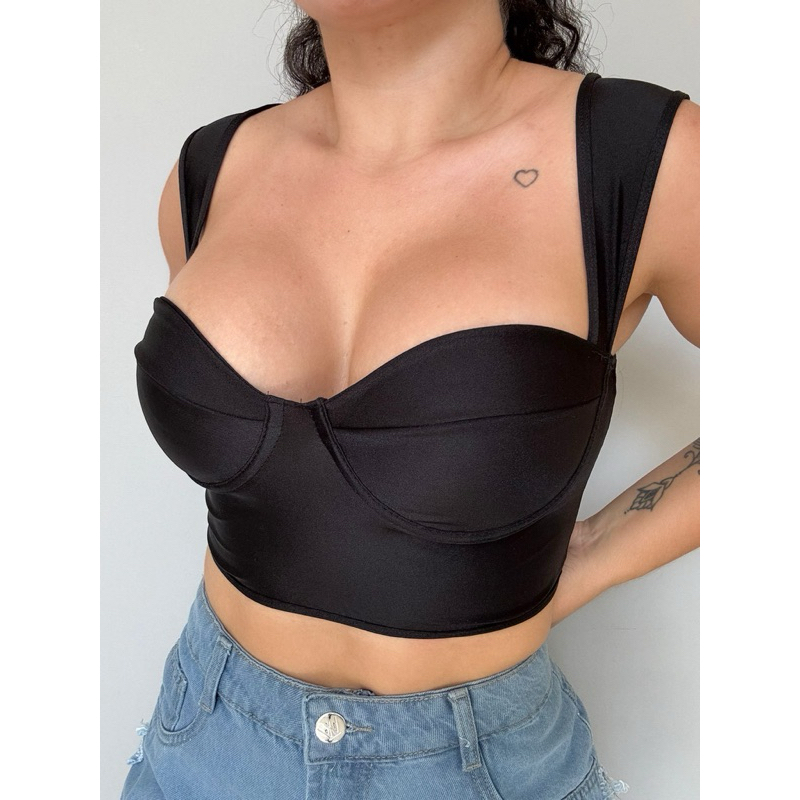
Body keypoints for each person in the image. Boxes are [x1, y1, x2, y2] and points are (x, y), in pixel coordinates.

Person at [121, 1, 699, 798]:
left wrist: (597, 550)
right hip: (206, 740)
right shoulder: (210, 169)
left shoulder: (648, 163)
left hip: (475, 769)